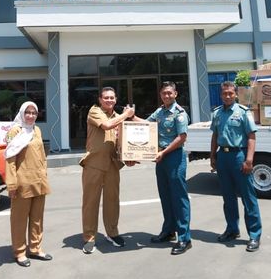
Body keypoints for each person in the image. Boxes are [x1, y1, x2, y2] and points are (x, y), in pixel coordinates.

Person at [80, 87, 135, 254]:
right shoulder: (94, 111)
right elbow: (106, 126)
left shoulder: (117, 116)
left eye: (112, 97)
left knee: (112, 200)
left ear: (116, 99)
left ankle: (112, 232)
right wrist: (127, 115)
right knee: (91, 203)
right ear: (100, 99)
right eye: (106, 98)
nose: (109, 100)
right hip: (94, 164)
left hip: (112, 164)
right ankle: (89, 237)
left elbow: (125, 138)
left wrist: (130, 155)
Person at [210, 81, 262, 252]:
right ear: (221, 94)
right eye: (224, 93)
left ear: (236, 94)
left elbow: (252, 137)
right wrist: (212, 155)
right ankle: (232, 229)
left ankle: (254, 235)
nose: (227, 96)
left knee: (248, 197)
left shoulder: (243, 113)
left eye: (230, 93)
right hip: (223, 157)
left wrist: (249, 160)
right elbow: (215, 135)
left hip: (239, 155)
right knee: (228, 197)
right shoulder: (217, 113)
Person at [145, 81, 192, 255]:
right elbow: (145, 124)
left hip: (174, 158)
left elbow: (181, 138)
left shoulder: (179, 113)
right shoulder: (160, 111)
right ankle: (169, 231)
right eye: (164, 93)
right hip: (161, 159)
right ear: (160, 95)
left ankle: (184, 238)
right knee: (165, 196)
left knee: (179, 198)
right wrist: (129, 117)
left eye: (169, 93)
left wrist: (163, 152)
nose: (166, 96)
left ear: (175, 94)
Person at [4, 101, 52, 267]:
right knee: (19, 219)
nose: (31, 116)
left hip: (38, 182)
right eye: (28, 112)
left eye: (34, 113)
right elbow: (10, 159)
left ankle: (35, 248)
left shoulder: (36, 130)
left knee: (37, 218)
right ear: (22, 113)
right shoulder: (15, 131)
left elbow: (42, 156)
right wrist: (11, 184)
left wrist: (44, 174)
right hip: (22, 183)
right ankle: (19, 252)